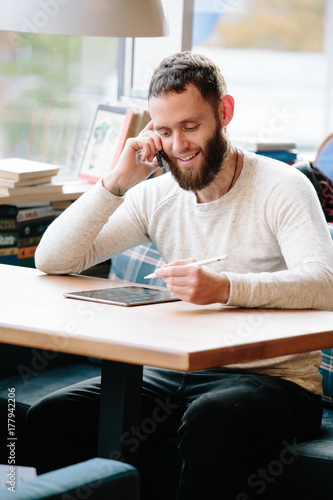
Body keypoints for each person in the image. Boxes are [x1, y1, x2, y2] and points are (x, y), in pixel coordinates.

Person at [27, 51, 333, 499]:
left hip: (273, 381)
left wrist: (225, 288)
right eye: (164, 132)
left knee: (214, 419)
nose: (178, 145)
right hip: (170, 373)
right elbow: (53, 259)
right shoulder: (156, 195)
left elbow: (324, 282)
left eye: (191, 127)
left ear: (223, 113)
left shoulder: (282, 186)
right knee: (52, 416)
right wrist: (116, 182)